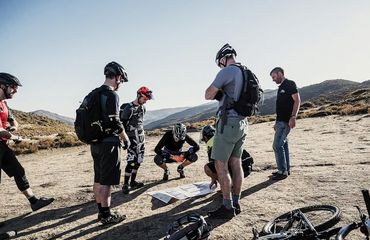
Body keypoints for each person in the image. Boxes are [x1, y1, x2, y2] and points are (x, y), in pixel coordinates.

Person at [204, 43, 249, 219]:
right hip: (243, 124)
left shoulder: (227, 71)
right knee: (236, 164)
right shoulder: (246, 71)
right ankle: (236, 202)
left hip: (227, 123)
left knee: (220, 166)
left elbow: (208, 94)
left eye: (219, 62)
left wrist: (219, 92)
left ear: (223, 59)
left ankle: (227, 206)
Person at [0, 72, 54, 212]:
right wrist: (15, 137)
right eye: (13, 87)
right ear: (1, 85)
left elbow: (13, 121)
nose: (15, 90)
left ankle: (34, 202)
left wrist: (13, 127)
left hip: (2, 146)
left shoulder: (4, 104)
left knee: (18, 171)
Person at [90, 61, 130, 225]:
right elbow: (115, 121)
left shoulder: (93, 94)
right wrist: (125, 138)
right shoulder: (111, 94)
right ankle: (106, 216)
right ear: (118, 77)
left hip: (95, 143)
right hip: (109, 143)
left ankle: (101, 212)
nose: (121, 83)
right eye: (121, 80)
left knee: (98, 178)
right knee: (107, 181)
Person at [200, 125, 253, 196]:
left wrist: (214, 177)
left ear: (206, 137)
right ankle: (233, 185)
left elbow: (215, 167)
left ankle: (228, 187)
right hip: (247, 166)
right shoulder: (222, 137)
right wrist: (213, 179)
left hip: (240, 168)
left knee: (207, 168)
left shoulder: (212, 144)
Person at [120, 86, 154, 194]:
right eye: (144, 99)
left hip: (141, 138)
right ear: (139, 95)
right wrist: (123, 140)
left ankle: (133, 182)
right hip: (131, 139)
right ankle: (125, 184)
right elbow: (122, 126)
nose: (145, 102)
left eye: (147, 100)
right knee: (131, 161)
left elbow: (140, 123)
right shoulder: (128, 108)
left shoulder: (143, 108)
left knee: (139, 161)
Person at [270, 67, 301, 180]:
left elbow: (297, 100)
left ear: (280, 73)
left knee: (277, 146)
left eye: (274, 76)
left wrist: (293, 117)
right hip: (280, 121)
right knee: (283, 145)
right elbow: (281, 107)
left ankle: (282, 172)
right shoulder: (281, 87)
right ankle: (285, 169)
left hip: (286, 121)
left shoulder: (290, 84)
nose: (273, 79)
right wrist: (276, 122)